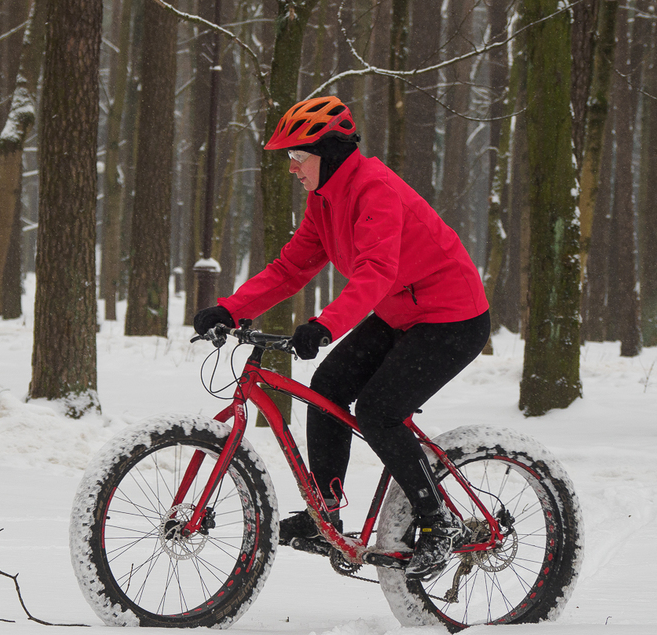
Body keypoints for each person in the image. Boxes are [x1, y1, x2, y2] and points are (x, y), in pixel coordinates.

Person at [193, 96, 490, 581]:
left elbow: (377, 270)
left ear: (327, 152)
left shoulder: (375, 190)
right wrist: (231, 308)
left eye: (296, 156)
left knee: (378, 410)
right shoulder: (325, 200)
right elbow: (291, 267)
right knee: (326, 388)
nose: (291, 168)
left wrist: (326, 325)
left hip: (451, 318)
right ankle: (324, 516)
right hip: (401, 312)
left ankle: (439, 524)